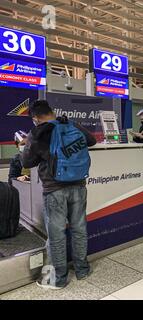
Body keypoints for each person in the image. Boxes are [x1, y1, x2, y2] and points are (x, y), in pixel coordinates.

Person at [21, 100, 97, 290]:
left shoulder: (38, 132)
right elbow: (92, 141)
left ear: (35, 119)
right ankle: (82, 270)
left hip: (54, 189)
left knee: (56, 234)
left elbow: (27, 162)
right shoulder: (71, 124)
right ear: (52, 112)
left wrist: (24, 146)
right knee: (79, 228)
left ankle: (59, 278)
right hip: (79, 185)